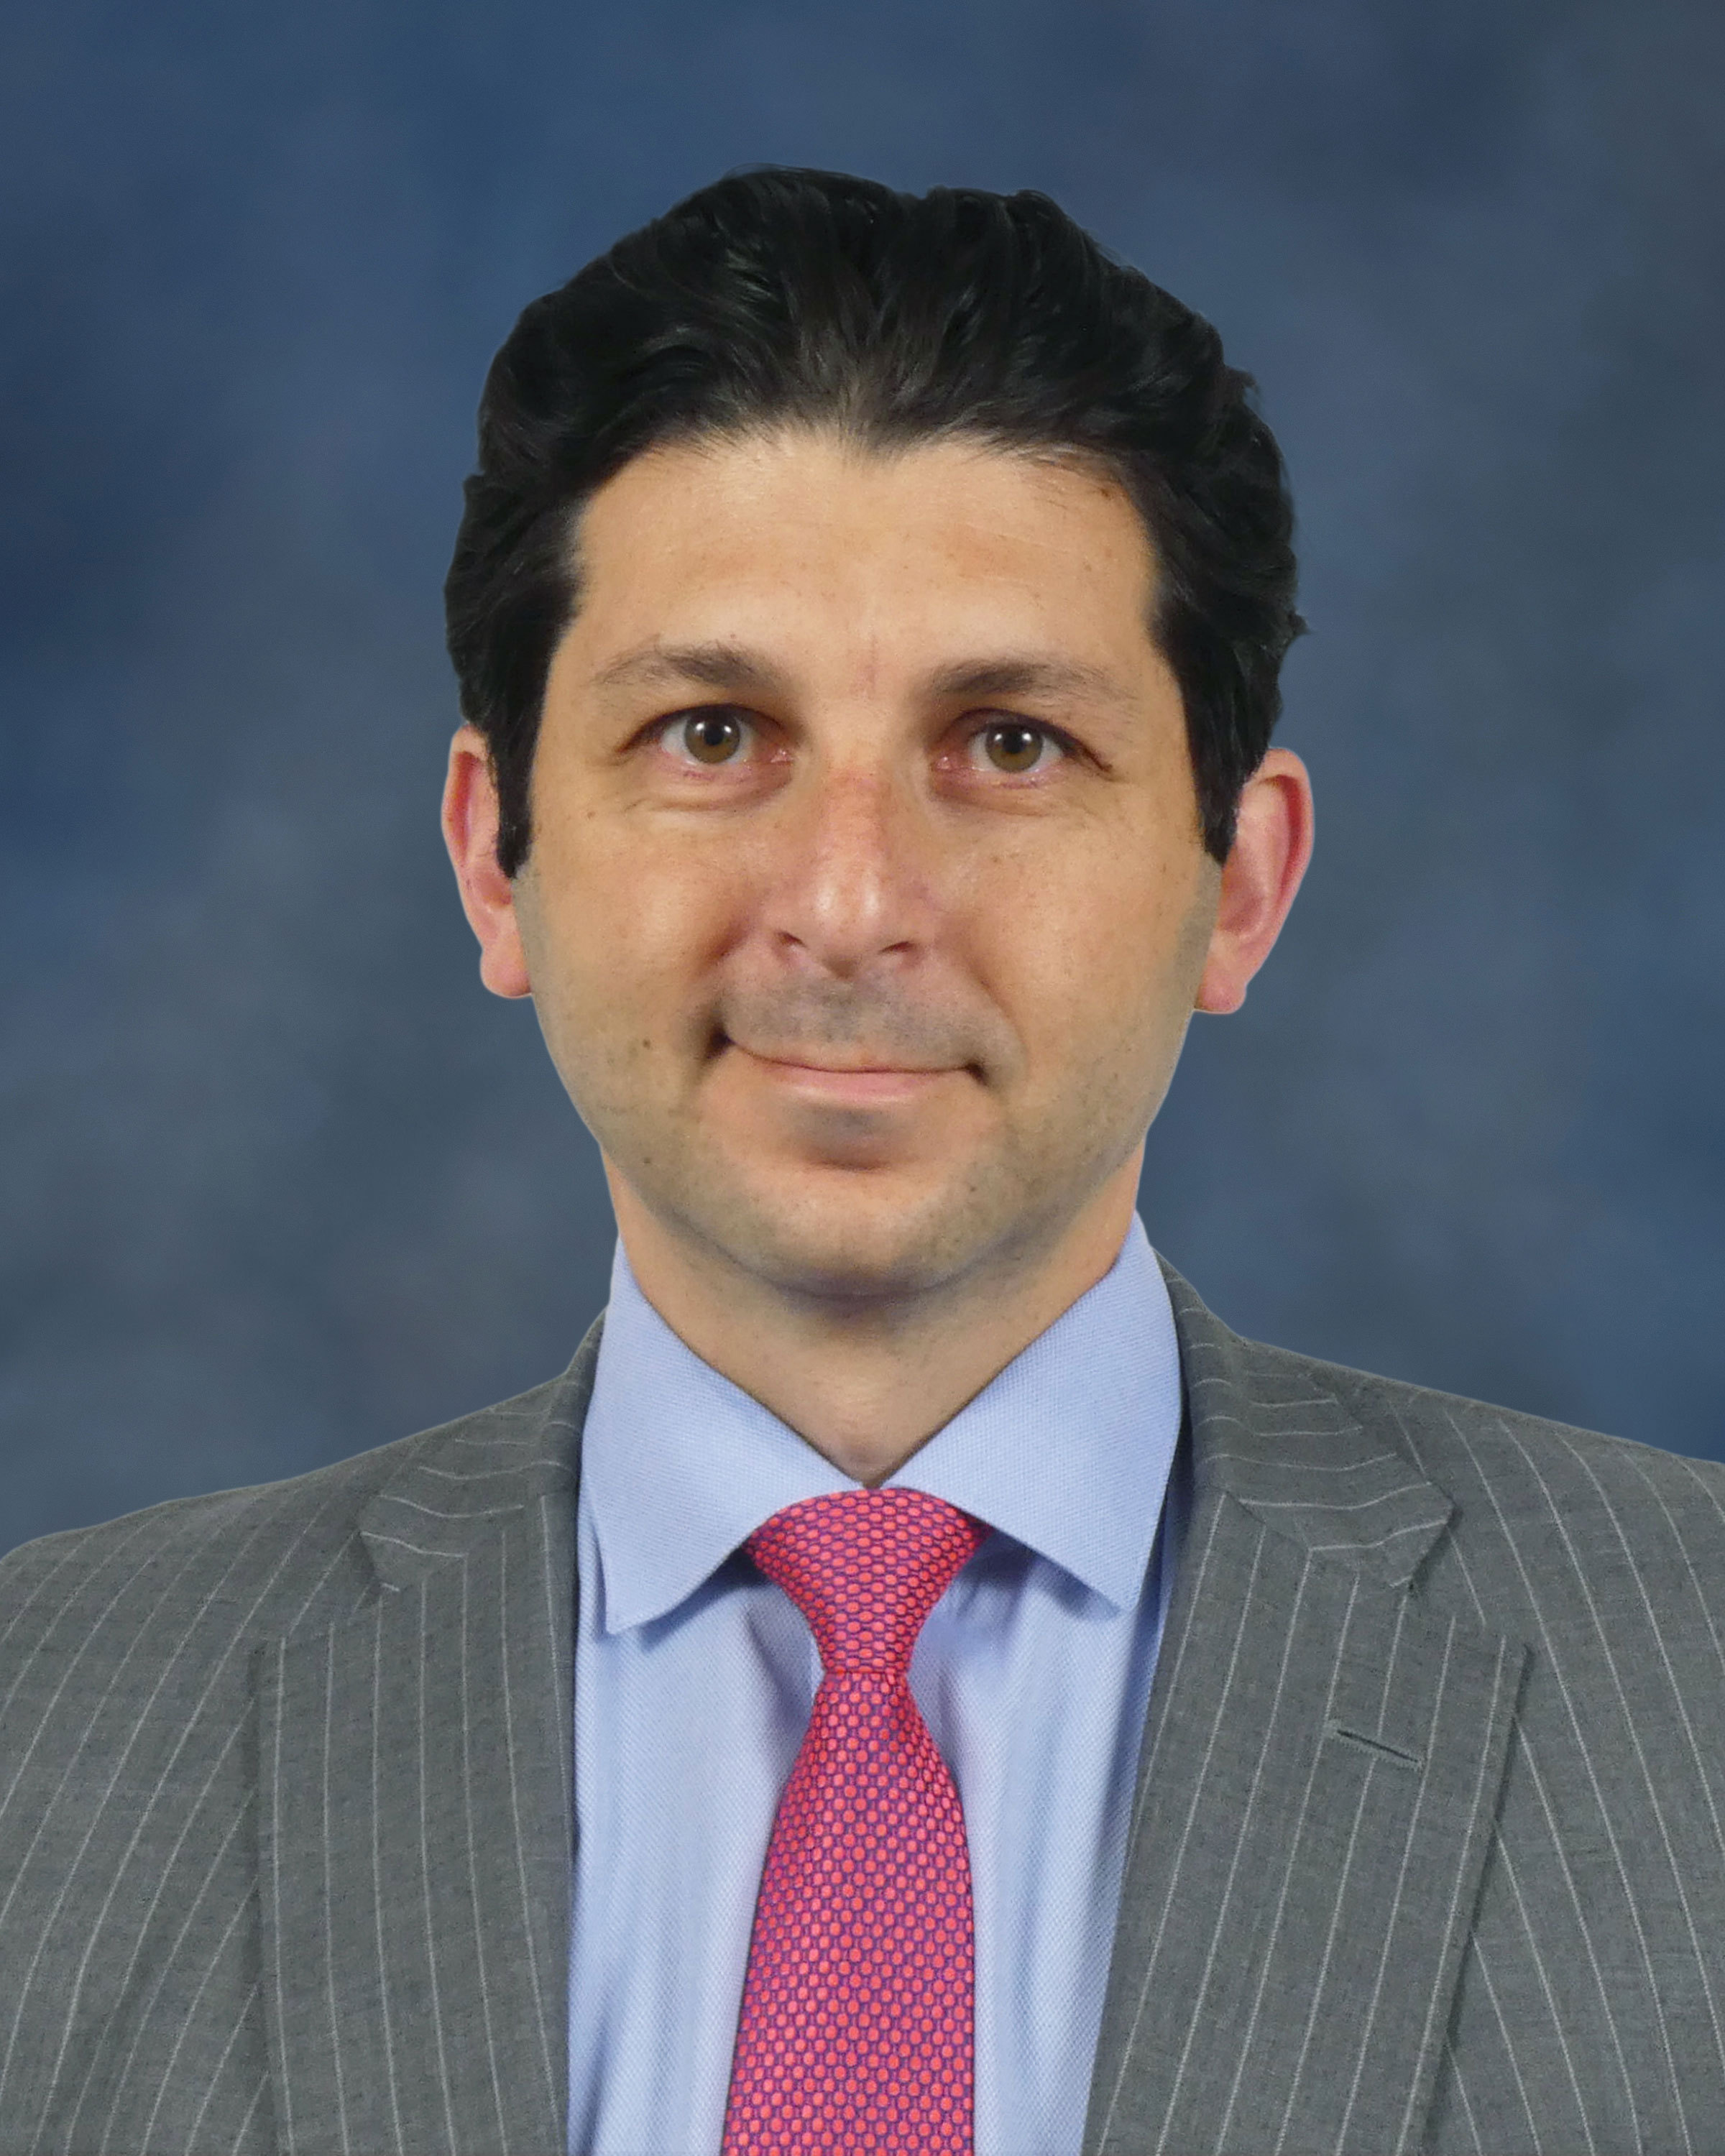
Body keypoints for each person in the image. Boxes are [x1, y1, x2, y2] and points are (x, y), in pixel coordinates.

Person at [1, 168, 1721, 2156]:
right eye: (713, 734)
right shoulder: (49, 1736)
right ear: (494, 857)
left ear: (1240, 884)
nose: (849, 906)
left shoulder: (1690, 1691)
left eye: (1008, 745)